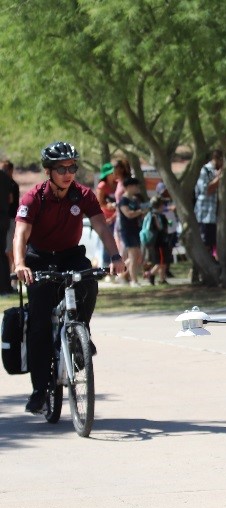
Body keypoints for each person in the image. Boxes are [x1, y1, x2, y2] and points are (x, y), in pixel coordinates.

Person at [12, 141, 126, 414]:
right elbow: (21, 234)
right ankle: (39, 390)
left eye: (72, 167)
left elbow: (100, 226)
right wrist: (20, 263)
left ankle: (80, 334)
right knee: (39, 325)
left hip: (71, 255)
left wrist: (115, 256)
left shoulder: (83, 194)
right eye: (61, 168)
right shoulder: (34, 198)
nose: (68, 172)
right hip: (39, 258)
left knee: (89, 280)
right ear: (48, 171)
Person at [194, 149, 223, 257]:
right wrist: (219, 178)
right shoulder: (205, 170)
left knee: (213, 243)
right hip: (205, 214)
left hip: (215, 216)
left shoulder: (217, 171)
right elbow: (206, 190)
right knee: (205, 243)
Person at [117, 178, 146, 285]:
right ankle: (134, 281)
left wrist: (143, 212)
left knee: (137, 256)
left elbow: (138, 214)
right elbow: (128, 214)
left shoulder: (134, 199)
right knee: (133, 256)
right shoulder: (123, 200)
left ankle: (121, 275)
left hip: (136, 230)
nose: (137, 188)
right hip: (127, 231)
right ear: (128, 187)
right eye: (135, 186)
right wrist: (140, 211)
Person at [0, 159, 17, 294]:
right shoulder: (7, 180)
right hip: (5, 218)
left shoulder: (9, 181)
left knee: (6, 253)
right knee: (4, 253)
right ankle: (6, 285)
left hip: (7, 219)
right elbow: (10, 199)